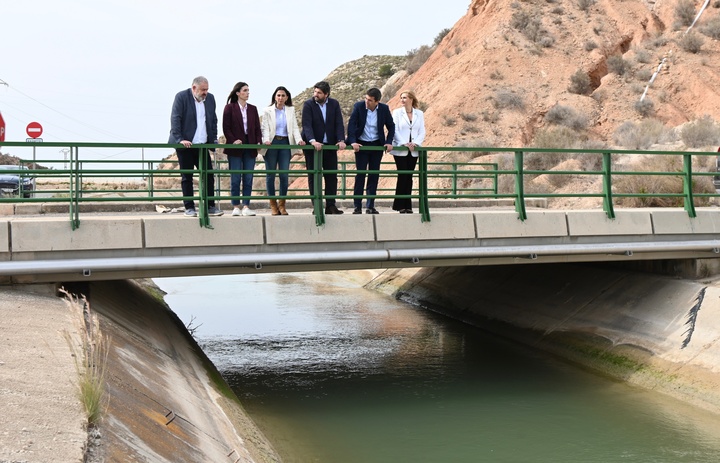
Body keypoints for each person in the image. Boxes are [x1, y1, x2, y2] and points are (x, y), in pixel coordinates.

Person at [168, 76, 223, 217]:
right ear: (194, 88)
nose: (205, 93)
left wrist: (214, 139)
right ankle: (189, 208)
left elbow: (213, 120)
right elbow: (175, 118)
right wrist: (180, 139)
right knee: (187, 177)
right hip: (186, 145)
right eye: (203, 90)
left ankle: (210, 206)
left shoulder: (210, 99)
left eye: (207, 89)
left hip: (203, 145)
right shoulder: (181, 97)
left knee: (208, 176)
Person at [346, 88, 395, 214]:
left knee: (374, 175)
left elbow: (391, 125)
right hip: (361, 145)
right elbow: (351, 125)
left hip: (376, 146)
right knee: (360, 175)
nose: (366, 102)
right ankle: (357, 206)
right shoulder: (359, 106)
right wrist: (352, 142)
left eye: (370, 100)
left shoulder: (384, 109)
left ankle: (370, 206)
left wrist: (389, 141)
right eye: (366, 99)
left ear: (377, 101)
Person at [301, 81, 347, 214]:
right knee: (314, 176)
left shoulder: (334, 104)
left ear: (326, 94)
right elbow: (307, 125)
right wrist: (312, 141)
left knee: (331, 175)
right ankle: (317, 206)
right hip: (313, 147)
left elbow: (339, 122)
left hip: (330, 146)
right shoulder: (308, 104)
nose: (315, 94)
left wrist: (340, 140)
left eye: (319, 93)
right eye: (315, 92)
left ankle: (331, 205)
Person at [261, 86, 305, 215]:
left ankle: (282, 204)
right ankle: (273, 204)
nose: (280, 98)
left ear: (287, 97)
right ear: (275, 96)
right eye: (278, 95)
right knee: (270, 175)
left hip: (285, 143)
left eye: (283, 95)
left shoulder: (290, 110)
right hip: (272, 143)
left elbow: (294, 128)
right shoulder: (267, 110)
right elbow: (265, 128)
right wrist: (266, 140)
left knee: (284, 174)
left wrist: (299, 141)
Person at [223, 82, 262, 217]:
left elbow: (257, 128)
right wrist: (233, 140)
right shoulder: (229, 108)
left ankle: (246, 206)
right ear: (238, 93)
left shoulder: (253, 109)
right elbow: (226, 128)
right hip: (235, 147)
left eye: (248, 90)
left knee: (248, 177)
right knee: (235, 177)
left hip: (250, 146)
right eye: (245, 90)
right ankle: (235, 206)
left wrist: (258, 142)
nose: (247, 93)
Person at [391, 90, 426, 213]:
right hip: (401, 148)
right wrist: (404, 143)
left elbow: (422, 131)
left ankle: (408, 206)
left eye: (405, 97)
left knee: (409, 176)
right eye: (401, 97)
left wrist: (415, 142)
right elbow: (394, 130)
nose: (402, 100)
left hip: (414, 149)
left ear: (411, 99)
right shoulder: (397, 113)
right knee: (403, 175)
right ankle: (400, 205)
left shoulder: (419, 114)